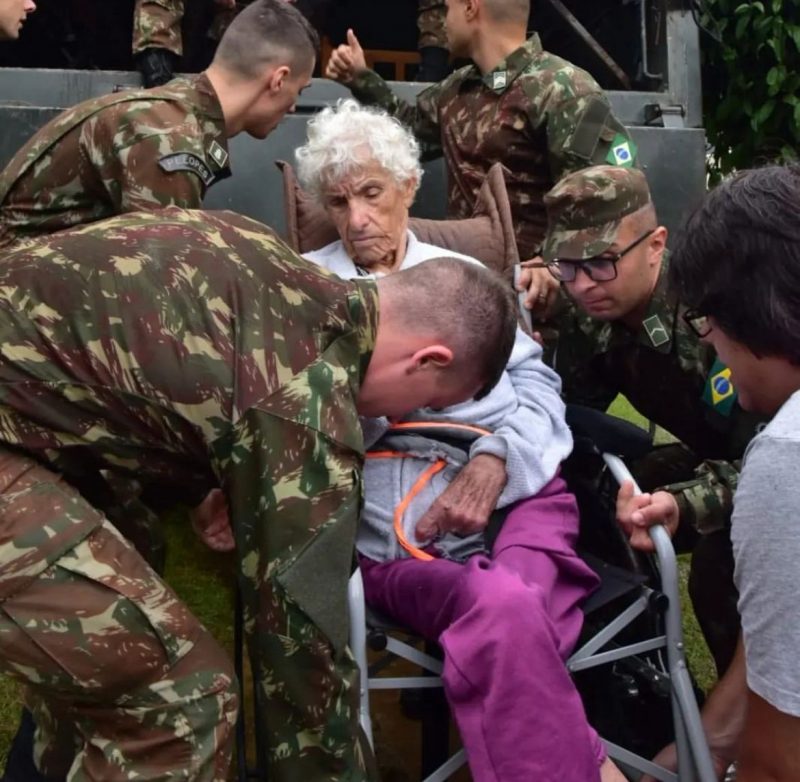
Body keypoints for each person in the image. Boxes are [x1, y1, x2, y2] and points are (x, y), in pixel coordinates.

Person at [0, 205, 515, 781]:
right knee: (187, 704)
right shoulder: (307, 405)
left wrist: (209, 476)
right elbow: (302, 661)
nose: (404, 416)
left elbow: (141, 364)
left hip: (26, 423)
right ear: (427, 360)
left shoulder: (254, 243)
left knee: (118, 614)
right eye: (427, 402)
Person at [294, 98, 625, 782]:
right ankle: (591, 762)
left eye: (372, 192)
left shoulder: (470, 281)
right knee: (508, 609)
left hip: (519, 499)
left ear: (409, 187)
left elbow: (537, 392)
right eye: (338, 200)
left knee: (510, 608)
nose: (356, 218)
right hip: (403, 532)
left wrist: (496, 457)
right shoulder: (307, 290)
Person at [537, 165, 763, 686]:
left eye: (600, 262)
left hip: (776, 459)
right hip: (720, 457)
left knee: (718, 564)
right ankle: (640, 682)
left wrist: (686, 503)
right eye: (567, 267)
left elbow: (776, 456)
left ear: (656, 244)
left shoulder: (716, 307)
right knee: (600, 496)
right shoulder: (589, 317)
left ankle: (754, 727)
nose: (584, 284)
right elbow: (566, 410)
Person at [324, 0, 637, 319]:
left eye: (446, 9)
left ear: (471, 8)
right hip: (467, 292)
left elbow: (610, 190)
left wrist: (552, 264)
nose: (441, 22)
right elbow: (409, 134)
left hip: (539, 300)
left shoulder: (564, 89)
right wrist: (360, 78)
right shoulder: (457, 89)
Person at [639, 164, 800, 780]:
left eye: (708, 327)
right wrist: (716, 737)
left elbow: (781, 763)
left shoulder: (785, 456)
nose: (711, 349)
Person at [0, 0, 317, 251]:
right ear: (279, 80)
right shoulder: (169, 136)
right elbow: (163, 288)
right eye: (299, 91)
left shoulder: (175, 115)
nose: (292, 106)